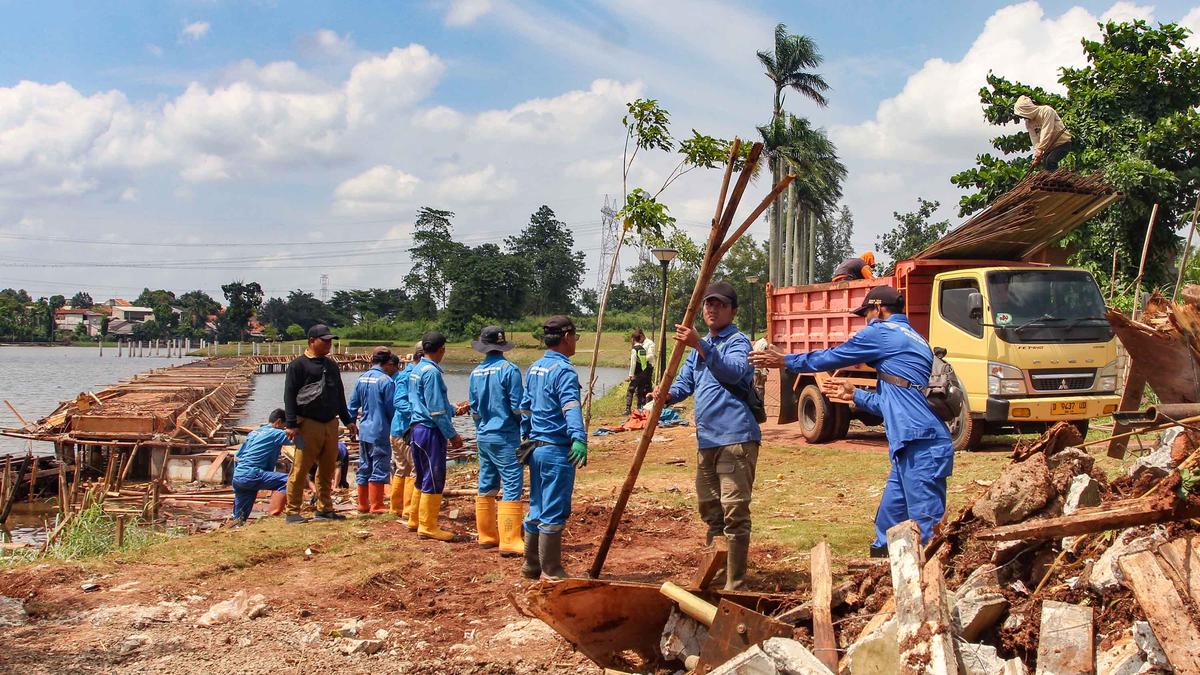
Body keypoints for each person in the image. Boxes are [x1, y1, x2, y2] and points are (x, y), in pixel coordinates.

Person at [749, 285, 954, 556]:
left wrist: (786, 360)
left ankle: (934, 583)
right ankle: (879, 577)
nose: (864, 321)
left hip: (922, 446)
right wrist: (855, 395)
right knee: (889, 521)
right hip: (911, 444)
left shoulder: (882, 331)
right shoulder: (916, 338)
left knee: (927, 528)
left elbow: (833, 356)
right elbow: (895, 402)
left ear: (879, 309)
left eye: (865, 313)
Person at [650, 281, 760, 590]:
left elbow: (733, 372)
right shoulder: (698, 349)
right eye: (708, 304)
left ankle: (735, 583)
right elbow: (684, 384)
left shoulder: (737, 342)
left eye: (719, 304)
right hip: (707, 441)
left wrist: (702, 345)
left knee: (734, 510)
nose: (711, 309)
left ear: (732, 311)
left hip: (735, 439)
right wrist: (666, 395)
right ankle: (716, 572)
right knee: (710, 509)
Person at [519, 315, 587, 580]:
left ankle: (531, 566)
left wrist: (526, 436)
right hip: (557, 449)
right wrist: (579, 438)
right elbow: (571, 407)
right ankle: (552, 571)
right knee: (554, 508)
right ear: (567, 337)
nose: (575, 343)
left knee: (537, 504)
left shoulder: (535, 367)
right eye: (575, 338)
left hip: (536, 448)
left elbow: (526, 407)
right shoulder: (564, 370)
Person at [283, 324, 355, 523]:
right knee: (300, 468)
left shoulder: (331, 366)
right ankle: (293, 511)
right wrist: (291, 424)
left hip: (330, 424)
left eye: (330, 341)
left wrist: (348, 420)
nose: (328, 344)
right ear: (311, 341)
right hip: (307, 424)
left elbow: (339, 395)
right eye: (324, 341)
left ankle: (325, 508)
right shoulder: (298, 365)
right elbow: (289, 395)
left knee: (327, 468)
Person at [468, 326, 526, 555]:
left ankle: (486, 535)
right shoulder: (509, 370)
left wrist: (481, 428)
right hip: (504, 435)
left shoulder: (475, 373)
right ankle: (510, 539)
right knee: (512, 482)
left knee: (487, 482)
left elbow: (474, 409)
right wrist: (524, 427)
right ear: (502, 346)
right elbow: (517, 407)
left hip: (483, 435)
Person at [408, 331, 465, 541]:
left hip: (417, 428)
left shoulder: (417, 369)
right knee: (434, 477)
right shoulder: (431, 373)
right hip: (430, 430)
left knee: (422, 475)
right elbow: (435, 411)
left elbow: (428, 402)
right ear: (442, 349)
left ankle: (414, 519)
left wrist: (453, 408)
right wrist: (452, 435)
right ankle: (427, 526)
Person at [348, 350, 397, 515]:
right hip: (380, 430)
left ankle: (363, 504)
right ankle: (376, 505)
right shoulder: (386, 381)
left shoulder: (361, 378)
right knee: (380, 466)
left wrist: (351, 424)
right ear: (387, 363)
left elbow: (352, 405)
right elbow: (392, 409)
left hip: (364, 430)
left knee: (364, 466)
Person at [231, 408, 290, 524]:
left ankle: (235, 529)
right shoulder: (276, 433)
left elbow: (237, 456)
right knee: (289, 480)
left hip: (239, 476)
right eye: (285, 426)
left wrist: (235, 477)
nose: (285, 429)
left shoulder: (254, 433)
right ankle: (273, 516)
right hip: (252, 474)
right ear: (278, 422)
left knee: (239, 518)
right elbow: (301, 440)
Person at [1014, 95, 1072, 171]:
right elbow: (1034, 138)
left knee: (1050, 161)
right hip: (1049, 148)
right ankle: (1052, 181)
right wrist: (1037, 153)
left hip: (1062, 143)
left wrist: (1040, 149)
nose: (1022, 117)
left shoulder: (1046, 111)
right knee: (1045, 166)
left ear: (1027, 109)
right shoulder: (1028, 123)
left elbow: (1047, 130)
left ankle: (1056, 181)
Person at [623, 330, 654, 416]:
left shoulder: (635, 349)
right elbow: (644, 360)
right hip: (644, 372)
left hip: (637, 372)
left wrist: (630, 375)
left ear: (633, 339)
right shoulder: (643, 349)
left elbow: (633, 363)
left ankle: (627, 409)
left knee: (631, 390)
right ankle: (640, 408)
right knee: (641, 390)